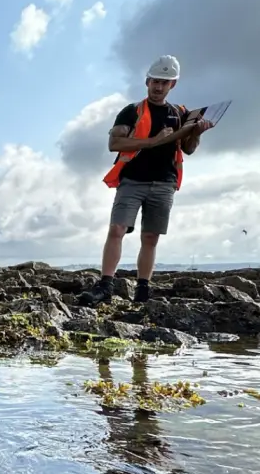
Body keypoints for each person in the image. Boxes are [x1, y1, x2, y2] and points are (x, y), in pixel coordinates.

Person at [78, 55, 214, 306]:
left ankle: (142, 290)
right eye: (155, 81)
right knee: (116, 229)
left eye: (164, 82)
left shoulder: (181, 113)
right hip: (132, 180)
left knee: (151, 237)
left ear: (173, 84)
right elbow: (114, 143)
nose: (158, 87)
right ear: (147, 81)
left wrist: (197, 133)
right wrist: (152, 141)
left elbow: (188, 148)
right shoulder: (131, 111)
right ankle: (105, 286)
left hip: (164, 183)